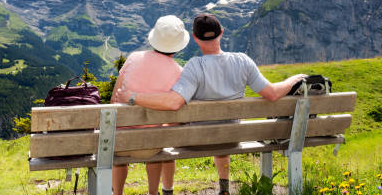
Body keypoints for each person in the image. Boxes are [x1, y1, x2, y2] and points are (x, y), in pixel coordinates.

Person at [116, 13, 306, 195]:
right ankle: (224, 187)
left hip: (196, 141)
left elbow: (174, 102)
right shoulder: (243, 61)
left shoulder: (194, 66)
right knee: (221, 128)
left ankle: (164, 191)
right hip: (232, 137)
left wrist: (132, 96)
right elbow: (272, 93)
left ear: (195, 38)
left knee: (172, 129)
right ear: (221, 32)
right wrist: (295, 79)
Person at [111, 15, 190, 195]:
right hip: (152, 144)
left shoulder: (133, 58)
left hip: (122, 142)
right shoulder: (179, 72)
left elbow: (114, 99)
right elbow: (175, 115)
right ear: (179, 45)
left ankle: (117, 193)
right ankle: (153, 192)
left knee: (121, 150)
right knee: (157, 140)